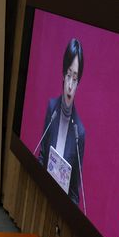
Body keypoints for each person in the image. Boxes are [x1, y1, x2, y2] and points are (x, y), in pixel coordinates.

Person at [37, 38, 86, 206]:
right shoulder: (52, 108)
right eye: (69, 76)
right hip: (42, 195)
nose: (70, 86)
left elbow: (74, 191)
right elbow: (41, 156)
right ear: (63, 75)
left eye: (75, 78)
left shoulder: (79, 132)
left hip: (61, 205)